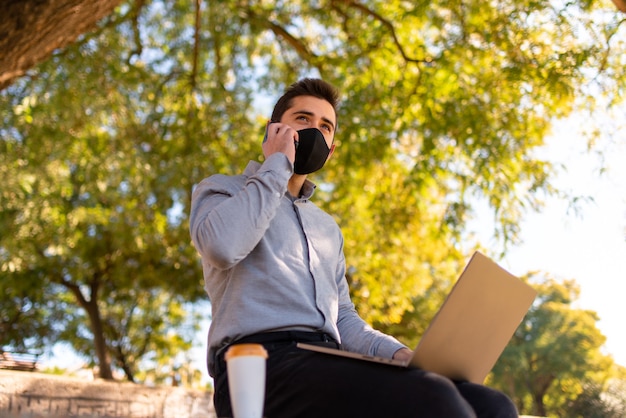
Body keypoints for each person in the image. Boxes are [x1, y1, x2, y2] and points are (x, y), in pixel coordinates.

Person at [189, 78, 518, 417]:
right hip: (259, 366)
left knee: (492, 405)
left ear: (330, 150)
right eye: (303, 119)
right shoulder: (223, 190)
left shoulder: (327, 228)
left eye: (326, 126)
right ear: (274, 131)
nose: (315, 130)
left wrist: (400, 355)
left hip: (329, 361)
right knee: (432, 399)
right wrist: (276, 165)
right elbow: (222, 247)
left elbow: (343, 318)